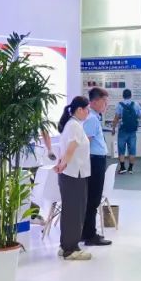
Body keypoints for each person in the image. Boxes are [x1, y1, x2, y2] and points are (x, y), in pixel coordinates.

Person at [54, 97, 93, 261]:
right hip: (74, 174)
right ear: (79, 110)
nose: (88, 113)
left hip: (71, 173)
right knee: (75, 212)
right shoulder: (75, 126)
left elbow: (67, 149)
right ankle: (71, 249)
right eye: (87, 109)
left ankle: (65, 246)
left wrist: (61, 164)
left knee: (70, 211)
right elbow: (71, 148)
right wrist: (63, 164)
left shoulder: (72, 124)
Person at [80, 87, 112, 247]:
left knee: (91, 198)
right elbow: (86, 141)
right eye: (105, 101)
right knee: (93, 199)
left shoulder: (92, 117)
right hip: (94, 161)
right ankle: (90, 235)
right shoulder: (92, 118)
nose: (106, 105)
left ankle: (86, 232)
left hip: (94, 160)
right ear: (95, 101)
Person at [112, 88, 141, 174]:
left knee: (121, 150)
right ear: (130, 95)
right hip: (132, 131)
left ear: (123, 96)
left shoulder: (119, 105)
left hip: (122, 130)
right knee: (132, 150)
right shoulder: (136, 104)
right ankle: (130, 169)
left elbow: (116, 118)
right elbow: (140, 116)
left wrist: (113, 128)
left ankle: (122, 168)